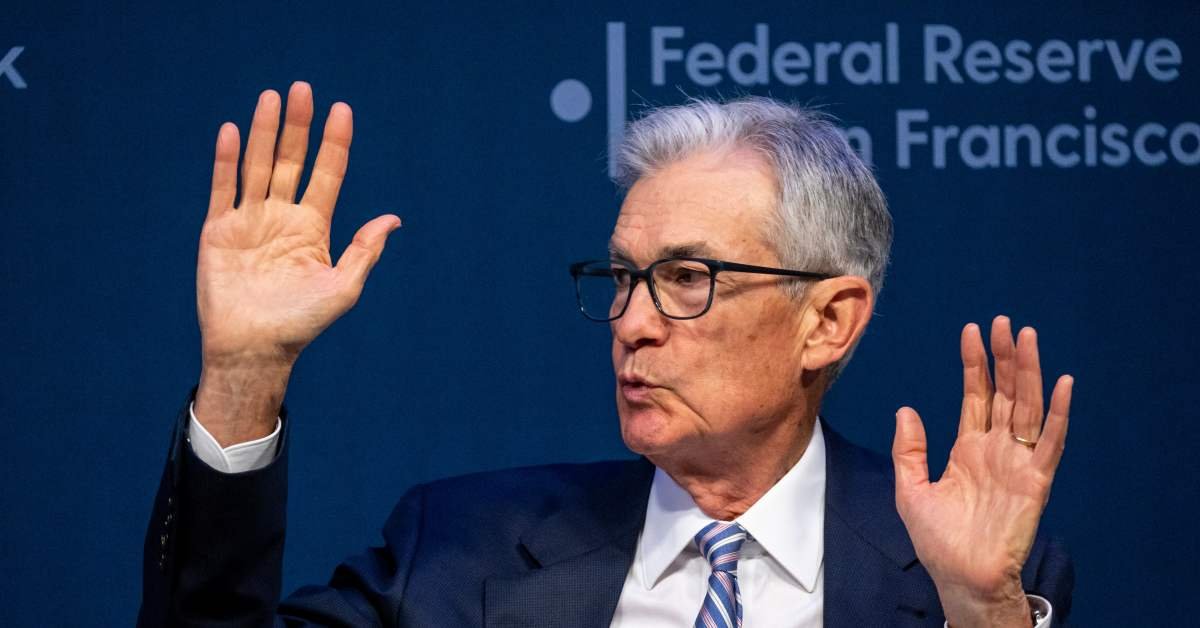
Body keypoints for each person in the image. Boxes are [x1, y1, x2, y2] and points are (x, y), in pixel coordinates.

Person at [139, 82, 1074, 627]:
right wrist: (244, 376)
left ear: (827, 322)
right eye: (623, 278)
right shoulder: (458, 549)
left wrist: (980, 616)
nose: (631, 322)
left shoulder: (966, 572)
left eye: (686, 277)